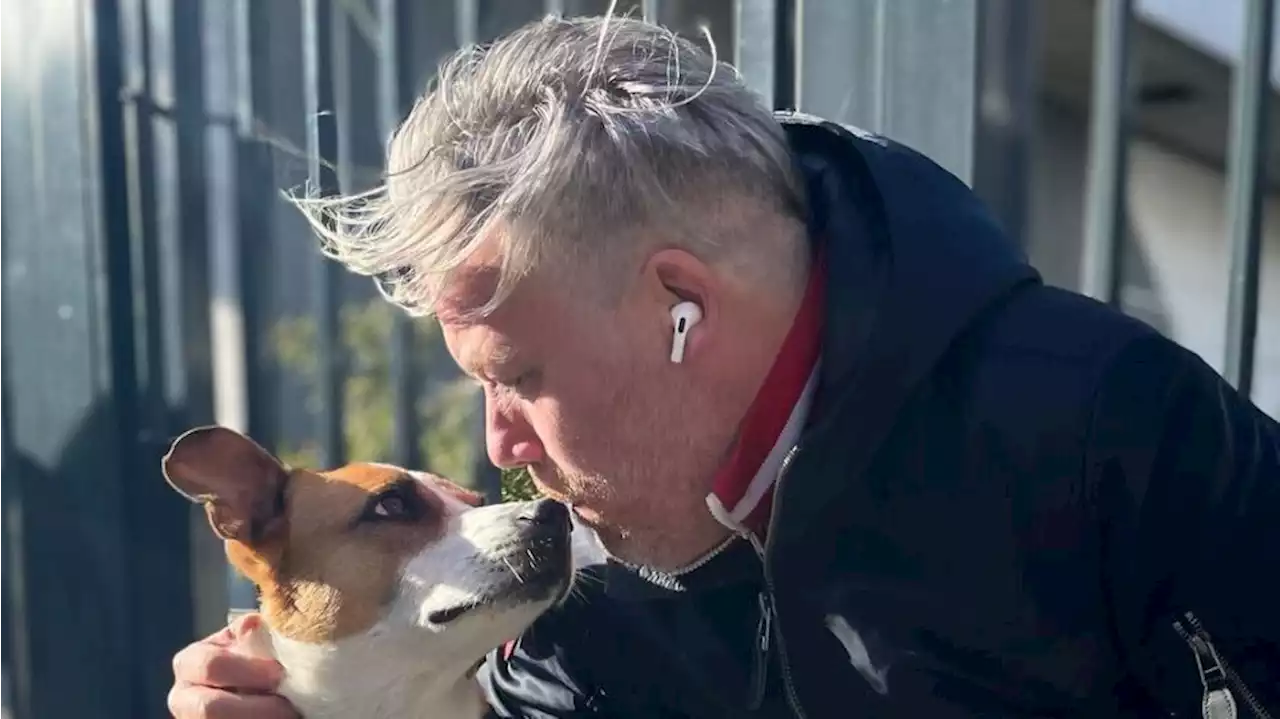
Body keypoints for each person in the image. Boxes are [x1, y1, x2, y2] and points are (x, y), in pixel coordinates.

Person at [168, 13, 1280, 719]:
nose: (497, 444)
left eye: (518, 375)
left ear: (681, 309)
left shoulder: (1117, 434)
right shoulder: (584, 582)